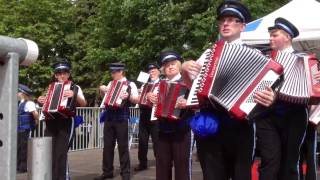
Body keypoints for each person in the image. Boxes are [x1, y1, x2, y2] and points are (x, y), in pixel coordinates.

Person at [181, 1, 275, 179]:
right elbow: (191, 87)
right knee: (212, 175)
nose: (225, 24)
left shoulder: (257, 56)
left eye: (232, 20)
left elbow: (268, 92)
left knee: (241, 175)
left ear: (243, 26)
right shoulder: (208, 54)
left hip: (240, 125)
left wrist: (271, 96)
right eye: (223, 20)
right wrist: (183, 69)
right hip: (211, 125)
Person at [255, 17, 308, 180]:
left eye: (274, 35)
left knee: (290, 162)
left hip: (295, 115)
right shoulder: (264, 58)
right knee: (269, 162)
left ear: (287, 37)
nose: (270, 38)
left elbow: (314, 88)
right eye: (270, 35)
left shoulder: (305, 60)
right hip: (267, 116)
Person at [37, 59, 87, 180]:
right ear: (55, 75)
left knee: (60, 154)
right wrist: (40, 100)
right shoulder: (51, 87)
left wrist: (74, 95)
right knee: (49, 153)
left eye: (65, 72)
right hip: (51, 122)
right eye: (59, 73)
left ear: (69, 74)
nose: (62, 75)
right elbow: (46, 104)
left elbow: (84, 103)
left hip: (66, 122)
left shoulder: (75, 87)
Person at [152, 51, 194, 180]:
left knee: (182, 167)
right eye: (167, 65)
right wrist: (150, 97)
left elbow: (199, 101)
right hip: (162, 128)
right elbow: (151, 101)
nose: (170, 67)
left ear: (179, 65)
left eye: (173, 63)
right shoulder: (159, 84)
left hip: (182, 129)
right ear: (163, 69)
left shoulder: (188, 82)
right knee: (162, 166)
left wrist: (188, 103)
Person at [95, 62, 139, 180]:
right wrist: (102, 89)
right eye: (112, 72)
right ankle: (107, 171)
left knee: (123, 146)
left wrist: (128, 96)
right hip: (109, 117)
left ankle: (125, 173)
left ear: (121, 72)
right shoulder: (110, 83)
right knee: (107, 146)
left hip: (122, 118)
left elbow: (136, 99)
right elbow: (105, 98)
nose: (112, 74)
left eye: (114, 72)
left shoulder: (130, 84)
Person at [134, 62, 161, 171]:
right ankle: (142, 163)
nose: (151, 72)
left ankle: (160, 162)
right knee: (142, 140)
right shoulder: (144, 84)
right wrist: (140, 93)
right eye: (150, 71)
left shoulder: (162, 83)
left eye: (154, 70)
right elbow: (138, 98)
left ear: (159, 71)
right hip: (144, 113)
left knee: (157, 140)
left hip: (155, 113)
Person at [17, 84, 39, 173]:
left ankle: (23, 167)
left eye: (19, 92)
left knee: (24, 148)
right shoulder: (21, 103)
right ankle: (18, 166)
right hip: (20, 128)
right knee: (19, 147)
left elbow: (35, 114)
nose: (17, 93)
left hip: (26, 129)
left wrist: (37, 121)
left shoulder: (29, 103)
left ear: (23, 93)